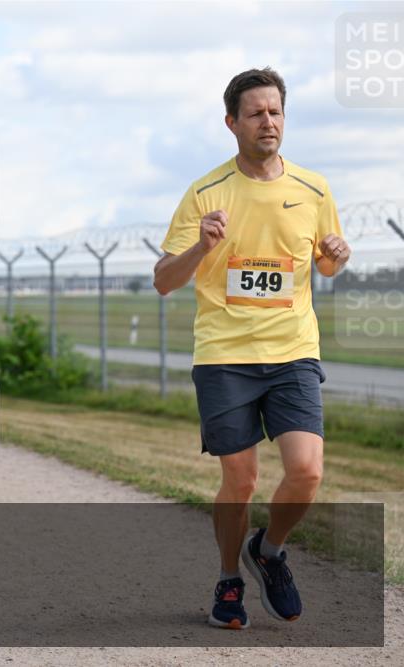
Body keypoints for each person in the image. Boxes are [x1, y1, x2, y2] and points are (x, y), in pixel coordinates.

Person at [154, 68, 350, 631]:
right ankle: (228, 578)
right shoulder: (205, 193)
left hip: (293, 351)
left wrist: (338, 252)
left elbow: (326, 265)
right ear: (232, 123)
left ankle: (269, 550)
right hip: (224, 356)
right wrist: (200, 245)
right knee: (239, 481)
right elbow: (165, 280)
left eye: (276, 112)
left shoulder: (313, 189)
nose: (269, 122)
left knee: (307, 472)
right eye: (256, 113)